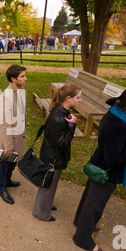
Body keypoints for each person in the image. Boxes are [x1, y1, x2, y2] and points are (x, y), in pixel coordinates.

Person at [73, 86, 126, 251]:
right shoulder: (118, 125)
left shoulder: (115, 114)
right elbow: (113, 159)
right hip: (105, 172)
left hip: (99, 165)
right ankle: (82, 238)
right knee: (94, 205)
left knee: (89, 198)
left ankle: (80, 222)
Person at [32, 83, 81, 221]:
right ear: (69, 98)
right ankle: (41, 213)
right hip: (52, 159)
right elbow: (61, 143)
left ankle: (46, 205)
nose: (79, 100)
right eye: (78, 97)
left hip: (54, 157)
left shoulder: (62, 113)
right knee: (47, 186)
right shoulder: (58, 117)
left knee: (50, 185)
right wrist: (72, 126)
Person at [0, 65, 27, 204]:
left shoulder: (19, 91)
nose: (25, 78)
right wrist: (8, 146)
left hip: (17, 136)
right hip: (9, 139)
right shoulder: (6, 96)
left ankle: (7, 181)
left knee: (13, 163)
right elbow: (3, 124)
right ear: (13, 79)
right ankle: (1, 188)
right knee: (5, 164)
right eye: (22, 76)